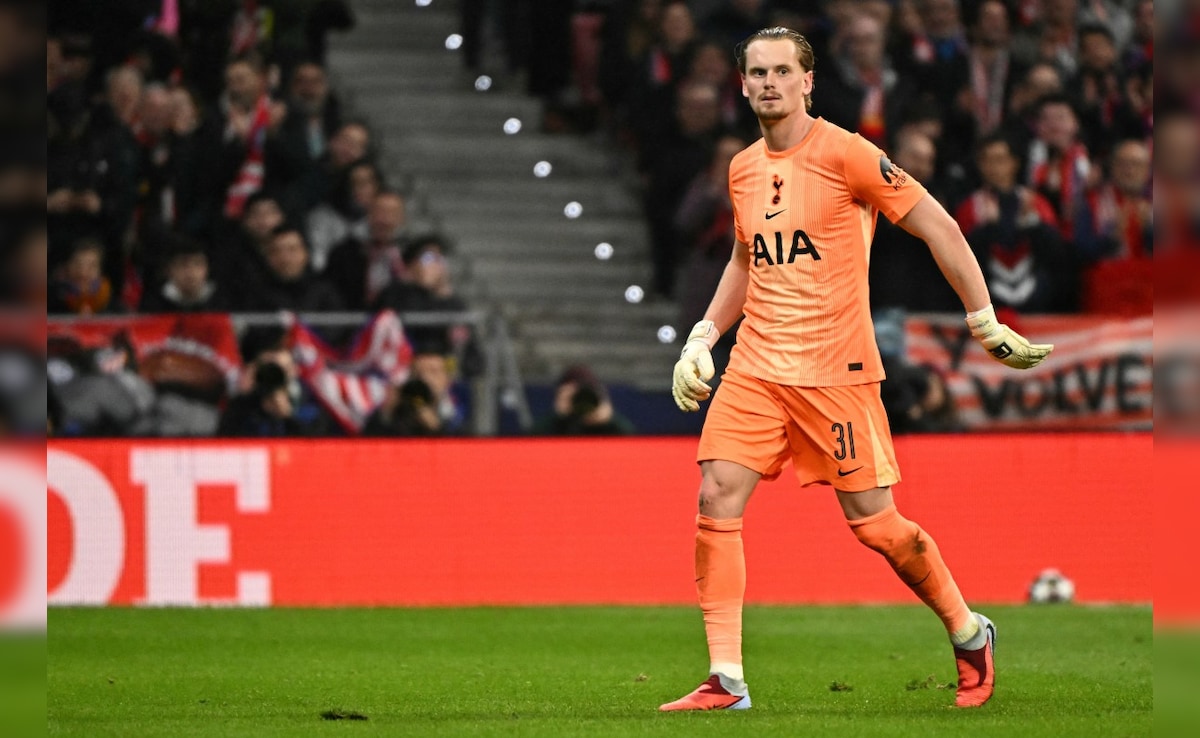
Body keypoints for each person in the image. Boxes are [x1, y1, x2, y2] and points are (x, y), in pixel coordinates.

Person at [661, 27, 1053, 713]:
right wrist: (704, 334)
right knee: (714, 499)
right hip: (756, 367)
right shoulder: (744, 167)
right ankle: (726, 678)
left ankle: (968, 631)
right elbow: (746, 259)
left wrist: (983, 318)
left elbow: (938, 225)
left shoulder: (847, 153)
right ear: (743, 83)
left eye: (783, 71)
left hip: (835, 372)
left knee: (876, 525)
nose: (769, 83)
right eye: (757, 73)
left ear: (808, 81)